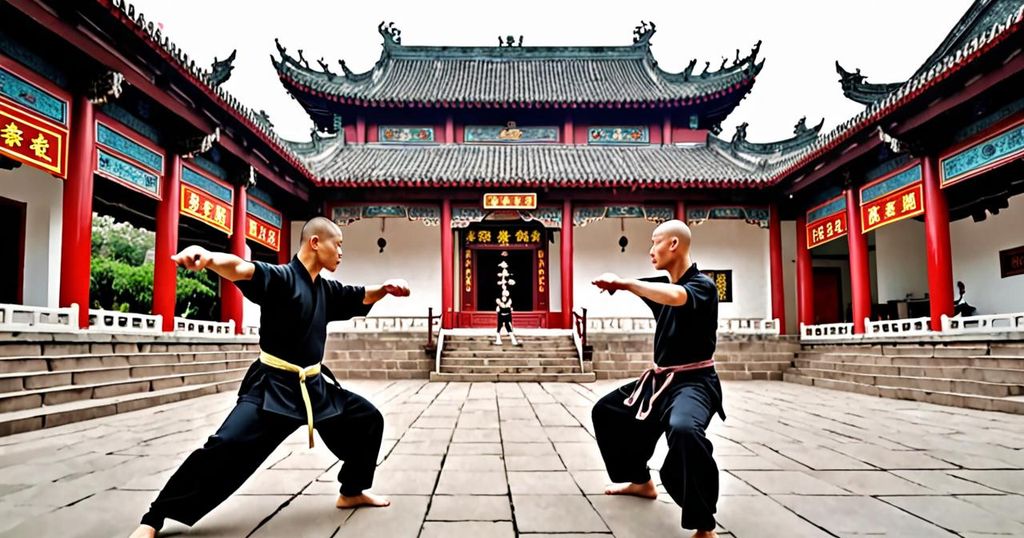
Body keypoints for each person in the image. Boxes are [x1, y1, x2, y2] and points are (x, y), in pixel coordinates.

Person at [129, 216, 410, 538]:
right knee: (226, 445)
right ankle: (154, 518)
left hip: (314, 388)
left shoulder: (326, 290)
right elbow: (240, 268)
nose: (341, 252)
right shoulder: (280, 278)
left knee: (367, 419)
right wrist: (207, 258)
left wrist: (386, 289)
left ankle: (351, 491)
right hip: (272, 388)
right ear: (315, 242)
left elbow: (359, 295)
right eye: (338, 244)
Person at [590, 219, 724, 538]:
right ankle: (640, 481)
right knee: (607, 412)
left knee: (684, 431)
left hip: (695, 383)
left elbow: (676, 296)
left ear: (673, 245)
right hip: (659, 383)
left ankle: (704, 525)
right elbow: (657, 289)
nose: (651, 250)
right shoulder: (663, 286)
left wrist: (625, 284)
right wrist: (618, 282)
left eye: (655, 242)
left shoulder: (702, 286)